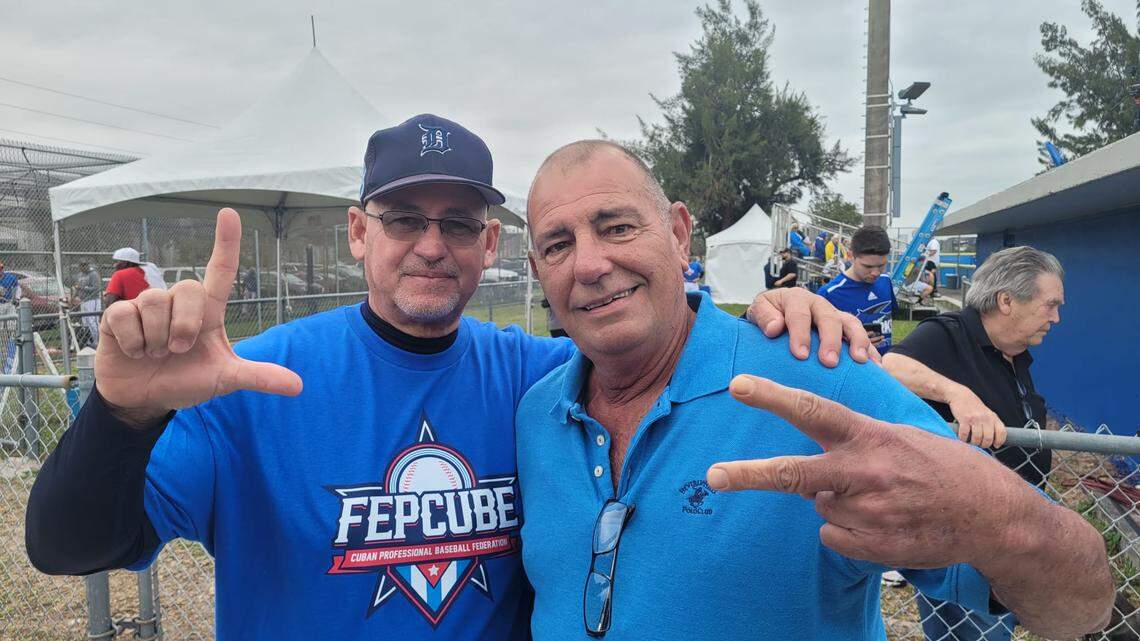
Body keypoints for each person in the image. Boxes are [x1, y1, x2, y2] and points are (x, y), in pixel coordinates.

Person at [25, 115, 872, 640]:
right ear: (360, 231)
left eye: (460, 222)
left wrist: (797, 324)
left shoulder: (545, 380)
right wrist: (120, 413)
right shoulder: (254, 381)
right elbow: (67, 546)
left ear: (490, 244)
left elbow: (668, 350)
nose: (432, 244)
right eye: (403, 219)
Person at [518, 139, 1112, 640]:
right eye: (557, 245)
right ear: (538, 268)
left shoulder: (820, 377)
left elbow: (1081, 605)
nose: (590, 264)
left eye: (616, 227)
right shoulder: (535, 411)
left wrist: (990, 506)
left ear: (678, 234)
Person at [882, 247, 1068, 641]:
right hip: (963, 531)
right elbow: (891, 367)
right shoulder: (951, 332)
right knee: (978, 629)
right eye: (1049, 305)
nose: (1056, 317)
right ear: (1006, 301)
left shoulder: (1013, 352)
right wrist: (957, 394)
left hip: (1009, 524)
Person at [820, 225, 898, 352]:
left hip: (883, 367)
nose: (875, 273)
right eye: (868, 266)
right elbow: (819, 342)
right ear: (850, 256)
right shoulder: (829, 294)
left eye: (881, 265)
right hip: (854, 368)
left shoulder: (885, 281)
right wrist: (851, 340)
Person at [72, 261, 103, 348]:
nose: (82, 267)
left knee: (93, 321)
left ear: (88, 265)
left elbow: (96, 288)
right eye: (81, 265)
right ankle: (90, 340)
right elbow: (77, 287)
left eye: (84, 265)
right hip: (83, 301)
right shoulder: (80, 275)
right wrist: (74, 296)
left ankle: (99, 341)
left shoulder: (93, 274)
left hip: (93, 300)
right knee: (86, 322)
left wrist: (82, 288)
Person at [0, 260, 21, 372]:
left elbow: (18, 287)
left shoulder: (9, 277)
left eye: (1, 268)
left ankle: (12, 347)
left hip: (9, 303)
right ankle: (3, 349)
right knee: (1, 329)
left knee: (12, 327)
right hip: (0, 305)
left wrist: (17, 298)